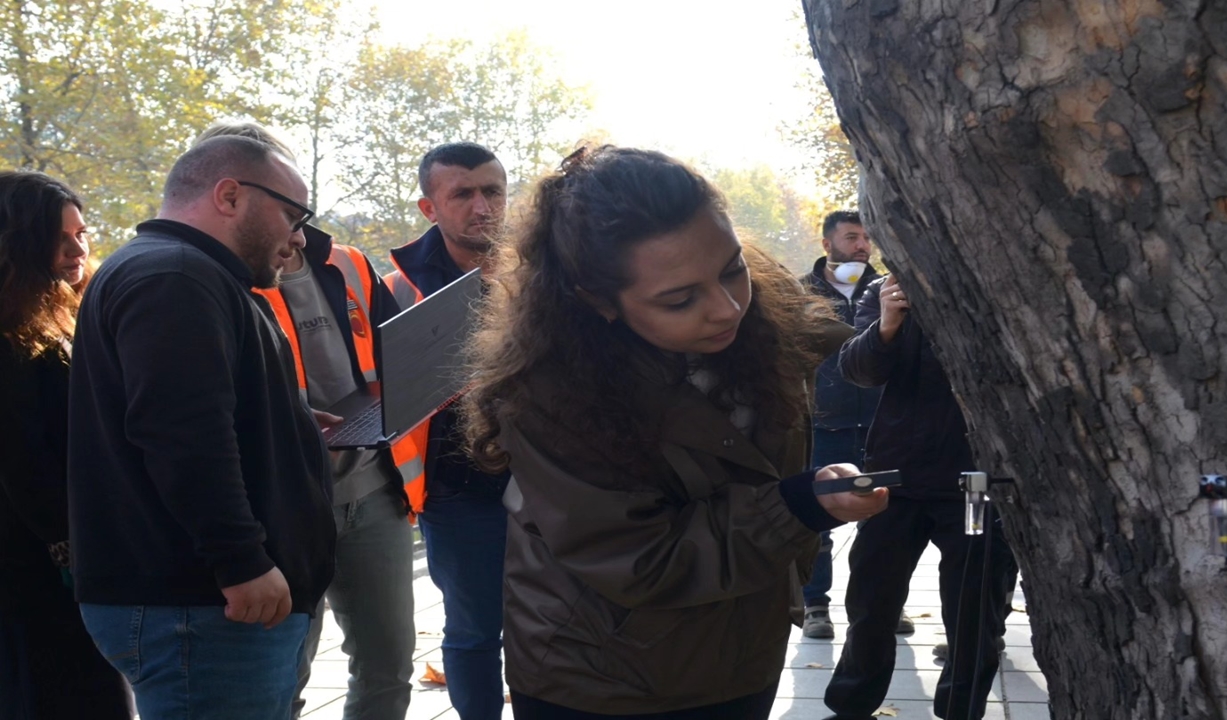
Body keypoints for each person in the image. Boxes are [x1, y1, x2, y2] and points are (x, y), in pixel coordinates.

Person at [461, 146, 890, 719]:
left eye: (733, 269)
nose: (727, 308)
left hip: (744, 651)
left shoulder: (766, 320)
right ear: (596, 300)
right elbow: (641, 558)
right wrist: (796, 505)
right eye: (680, 299)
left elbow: (836, 344)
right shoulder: (547, 395)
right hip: (605, 681)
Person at [67, 135, 337, 719]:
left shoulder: (183, 273)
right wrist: (241, 561)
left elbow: (188, 410)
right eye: (293, 215)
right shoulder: (176, 277)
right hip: (201, 607)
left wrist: (281, 421)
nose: (299, 239)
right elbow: (181, 436)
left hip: (204, 607)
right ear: (231, 195)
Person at [194, 121, 423, 720]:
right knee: (281, 678)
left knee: (388, 664)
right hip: (283, 509)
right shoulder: (218, 281)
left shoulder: (348, 264)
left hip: (373, 492)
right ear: (234, 194)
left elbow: (398, 363)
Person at [823, 270, 1016, 720]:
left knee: (973, 613)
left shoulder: (1006, 280)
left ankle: (961, 710)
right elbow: (857, 370)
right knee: (871, 604)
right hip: (897, 479)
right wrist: (888, 322)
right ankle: (851, 706)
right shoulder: (888, 289)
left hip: (975, 484)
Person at [383, 141, 510, 719]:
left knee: (561, 620)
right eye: (463, 193)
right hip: (455, 487)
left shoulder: (545, 271)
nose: (482, 206)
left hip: (559, 476)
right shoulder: (395, 289)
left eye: (493, 191)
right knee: (474, 630)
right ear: (429, 208)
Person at [0, 171, 131, 720]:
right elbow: (20, 459)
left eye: (81, 233)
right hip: (31, 561)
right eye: (61, 238)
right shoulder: (9, 336)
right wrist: (69, 549)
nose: (78, 249)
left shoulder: (61, 312)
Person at [798, 210, 894, 640]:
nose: (861, 246)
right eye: (851, 237)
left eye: (866, 238)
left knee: (881, 520)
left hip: (879, 424)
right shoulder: (800, 293)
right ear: (827, 244)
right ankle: (816, 604)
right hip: (821, 424)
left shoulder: (888, 290)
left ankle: (878, 605)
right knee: (818, 517)